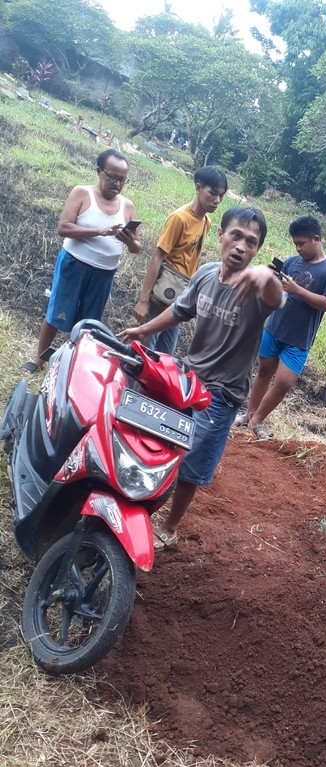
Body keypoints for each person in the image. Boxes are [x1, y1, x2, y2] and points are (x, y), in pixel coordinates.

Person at [120, 206, 283, 551]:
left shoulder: (256, 288)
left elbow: (276, 296)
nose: (241, 246)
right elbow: (180, 311)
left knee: (192, 466)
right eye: (236, 235)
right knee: (153, 437)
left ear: (257, 251)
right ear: (220, 236)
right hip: (187, 377)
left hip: (221, 395)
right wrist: (142, 328)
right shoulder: (206, 274)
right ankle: (136, 499)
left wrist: (265, 276)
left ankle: (170, 526)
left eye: (251, 242)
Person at [23, 149, 140, 373]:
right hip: (74, 264)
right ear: (99, 171)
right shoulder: (82, 194)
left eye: (122, 179)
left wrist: (129, 242)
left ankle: (74, 366)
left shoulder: (128, 206)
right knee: (58, 311)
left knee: (89, 322)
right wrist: (100, 231)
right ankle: (39, 359)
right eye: (112, 176)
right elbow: (63, 228)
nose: (117, 183)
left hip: (104, 273)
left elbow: (137, 247)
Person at [236, 215, 326, 438]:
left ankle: (257, 421)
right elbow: (275, 291)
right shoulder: (291, 262)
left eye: (302, 243)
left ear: (316, 239)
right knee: (264, 371)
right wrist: (270, 277)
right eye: (295, 244)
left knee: (284, 382)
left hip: (299, 338)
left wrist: (297, 291)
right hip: (274, 327)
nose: (298, 248)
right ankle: (250, 416)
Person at [133, 166, 227, 354]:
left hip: (180, 299)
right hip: (162, 296)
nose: (217, 201)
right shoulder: (179, 218)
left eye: (221, 196)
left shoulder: (206, 222)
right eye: (213, 193)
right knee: (145, 351)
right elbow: (158, 257)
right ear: (198, 188)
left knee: (165, 354)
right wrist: (143, 300)